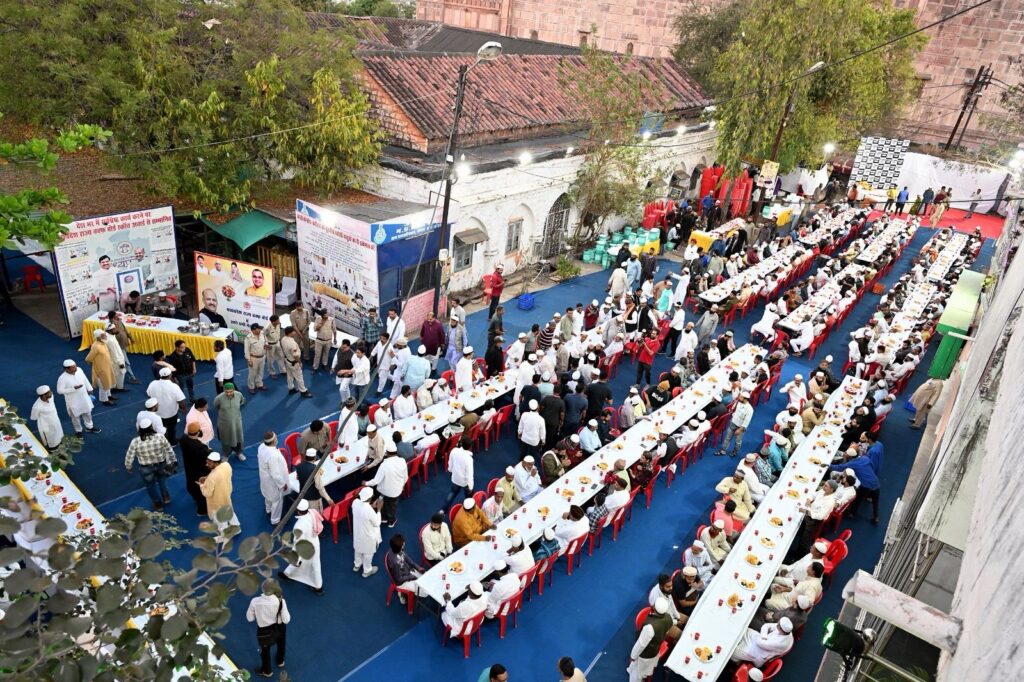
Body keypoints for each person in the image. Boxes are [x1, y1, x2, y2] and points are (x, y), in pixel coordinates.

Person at [124, 418, 175, 510]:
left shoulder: (136, 441)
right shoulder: (160, 437)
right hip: (161, 464)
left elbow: (129, 455)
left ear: (140, 429)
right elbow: (169, 450)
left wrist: (129, 466)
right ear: (151, 427)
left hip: (146, 468)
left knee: (150, 486)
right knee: (162, 481)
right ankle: (166, 498)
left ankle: (158, 504)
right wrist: (173, 460)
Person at [247, 579, 290, 678]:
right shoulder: (281, 601)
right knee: (281, 644)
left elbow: (250, 618)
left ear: (262, 589)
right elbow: (286, 620)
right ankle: (280, 661)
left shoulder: (255, 601)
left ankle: (267, 671)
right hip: (279, 627)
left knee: (265, 652)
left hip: (264, 631)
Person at [281, 499, 324, 594]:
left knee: (299, 562)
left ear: (298, 510)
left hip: (305, 548)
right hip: (315, 542)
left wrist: (296, 558)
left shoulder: (298, 526)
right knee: (316, 565)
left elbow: (298, 543)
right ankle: (318, 587)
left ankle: (287, 574)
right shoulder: (312, 513)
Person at [629, 597, 673, 682]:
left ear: (654, 607)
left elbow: (641, 645)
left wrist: (632, 656)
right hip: (656, 649)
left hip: (645, 655)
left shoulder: (650, 627)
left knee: (637, 674)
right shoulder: (669, 618)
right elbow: (666, 632)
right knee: (646, 669)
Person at [367, 443, 408, 527]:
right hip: (396, 491)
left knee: (383, 504)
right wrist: (403, 485)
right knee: (392, 507)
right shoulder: (402, 461)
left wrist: (366, 483)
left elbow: (376, 481)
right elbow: (406, 477)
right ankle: (391, 522)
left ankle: (384, 518)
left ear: (387, 453)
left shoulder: (384, 465)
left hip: (383, 491)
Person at [199, 452, 237, 537]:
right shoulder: (226, 465)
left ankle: (224, 536)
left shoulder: (212, 477)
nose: (207, 464)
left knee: (220, 521)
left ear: (216, 463)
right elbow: (221, 476)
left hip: (216, 502)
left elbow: (207, 493)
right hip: (226, 494)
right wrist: (207, 478)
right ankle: (236, 529)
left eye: (209, 463)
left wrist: (202, 485)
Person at [730, 618, 795, 667]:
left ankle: (736, 664)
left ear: (780, 628)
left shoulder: (780, 643)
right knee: (745, 630)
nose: (776, 624)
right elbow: (766, 625)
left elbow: (759, 642)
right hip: (762, 641)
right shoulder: (786, 630)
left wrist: (764, 636)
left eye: (777, 625)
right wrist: (764, 636)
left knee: (733, 652)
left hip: (759, 653)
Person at [147, 367, 186, 445]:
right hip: (171, 413)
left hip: (157, 413)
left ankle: (162, 442)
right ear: (170, 375)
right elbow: (180, 400)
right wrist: (183, 408)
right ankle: (172, 442)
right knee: (171, 428)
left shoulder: (153, 384)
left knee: (160, 428)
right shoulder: (174, 386)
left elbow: (149, 395)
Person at [257, 432, 289, 524]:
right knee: (277, 501)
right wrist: (282, 484)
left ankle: (268, 509)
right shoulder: (273, 455)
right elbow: (275, 474)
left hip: (264, 479)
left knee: (268, 496)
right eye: (276, 438)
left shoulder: (261, 447)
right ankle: (275, 520)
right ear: (273, 441)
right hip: (273, 483)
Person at [351, 486, 382, 578]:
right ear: (370, 498)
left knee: (357, 550)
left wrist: (371, 506)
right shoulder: (369, 510)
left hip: (357, 533)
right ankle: (367, 570)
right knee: (368, 554)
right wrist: (379, 510)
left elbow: (362, 511)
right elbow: (377, 523)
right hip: (368, 536)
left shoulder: (355, 502)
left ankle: (357, 565)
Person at [214, 383, 246, 460]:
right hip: (224, 423)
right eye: (226, 392)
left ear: (234, 390)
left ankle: (238, 452)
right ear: (224, 390)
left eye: (231, 391)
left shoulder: (239, 395)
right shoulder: (219, 398)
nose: (228, 393)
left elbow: (242, 401)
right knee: (225, 439)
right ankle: (226, 455)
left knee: (238, 438)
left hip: (236, 422)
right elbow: (216, 405)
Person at [85, 329, 117, 406]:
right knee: (103, 385)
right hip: (101, 370)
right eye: (103, 335)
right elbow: (88, 359)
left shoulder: (103, 343)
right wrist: (97, 366)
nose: (106, 336)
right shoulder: (95, 346)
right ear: (98, 337)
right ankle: (104, 400)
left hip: (107, 367)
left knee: (108, 382)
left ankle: (109, 396)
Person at [716, 392, 753, 457]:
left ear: (745, 399)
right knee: (727, 438)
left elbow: (746, 422)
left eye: (741, 397)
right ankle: (723, 450)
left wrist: (740, 430)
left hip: (740, 427)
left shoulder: (750, 409)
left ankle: (735, 452)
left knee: (738, 441)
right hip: (733, 423)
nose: (739, 397)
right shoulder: (739, 402)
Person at [444, 436, 475, 510]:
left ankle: (443, 510)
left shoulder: (454, 451)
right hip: (465, 482)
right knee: (468, 499)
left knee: (452, 493)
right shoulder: (469, 459)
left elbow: (450, 462)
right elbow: (469, 475)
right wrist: (471, 487)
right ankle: (467, 510)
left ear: (461, 443)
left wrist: (450, 470)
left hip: (455, 478)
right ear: (470, 447)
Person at [281, 327, 313, 398]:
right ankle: (303, 391)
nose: (295, 332)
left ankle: (291, 388)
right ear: (290, 333)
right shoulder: (292, 343)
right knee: (299, 377)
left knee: (289, 376)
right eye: (294, 331)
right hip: (294, 362)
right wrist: (300, 362)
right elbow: (295, 355)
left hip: (288, 360)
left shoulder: (283, 339)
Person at [244, 323, 268, 394]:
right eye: (258, 329)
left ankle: (259, 384)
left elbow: (266, 341)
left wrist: (266, 345)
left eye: (260, 328)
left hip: (262, 357)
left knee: (261, 371)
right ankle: (251, 386)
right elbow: (246, 350)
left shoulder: (262, 334)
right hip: (253, 358)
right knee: (252, 373)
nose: (260, 330)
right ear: (253, 330)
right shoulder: (248, 338)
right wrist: (248, 360)